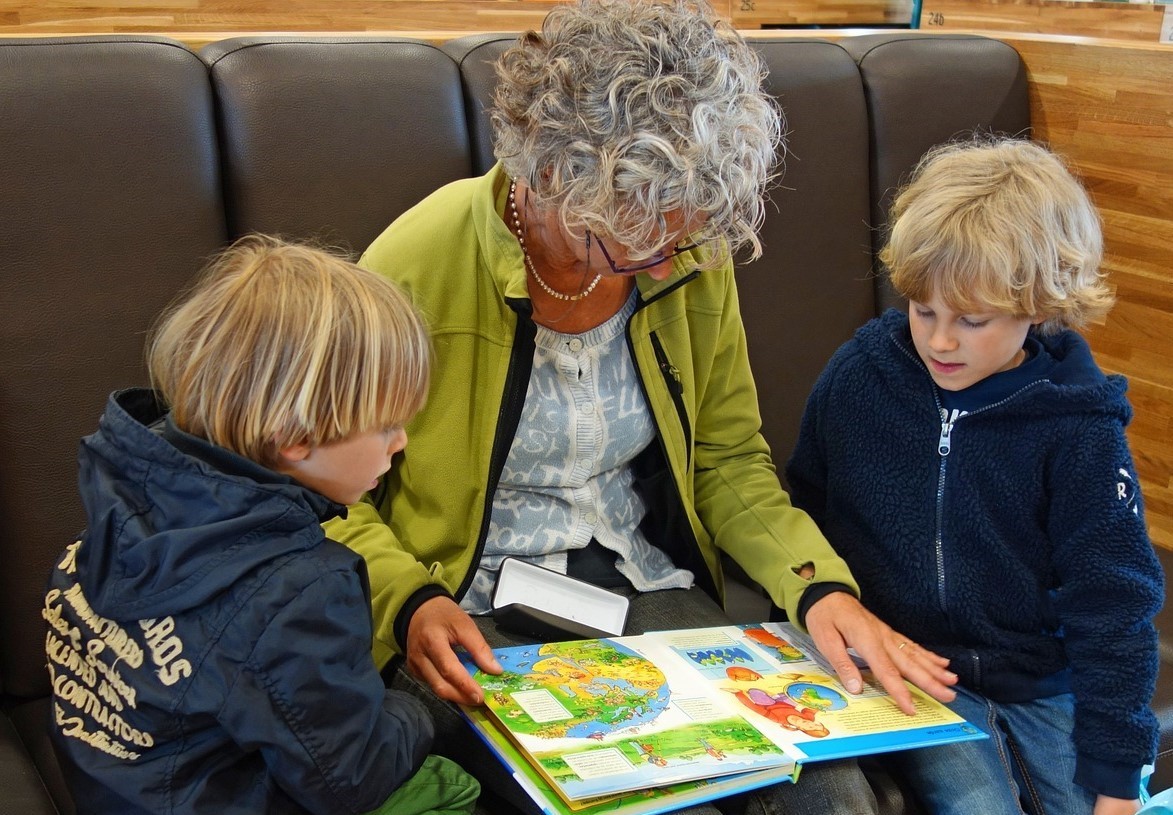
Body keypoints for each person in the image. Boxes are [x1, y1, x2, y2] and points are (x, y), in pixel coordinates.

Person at [325, 2, 956, 813]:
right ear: (550, 173)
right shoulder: (417, 263)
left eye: (678, 236)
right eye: (632, 238)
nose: (663, 262)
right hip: (470, 604)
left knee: (831, 796)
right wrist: (410, 600)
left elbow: (726, 458)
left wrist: (817, 587)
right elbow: (325, 495)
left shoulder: (685, 249)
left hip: (641, 581)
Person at [785, 137, 1164, 815]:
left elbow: (1113, 606)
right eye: (923, 310)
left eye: (972, 319)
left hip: (1042, 680)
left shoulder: (1079, 425)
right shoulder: (859, 377)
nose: (939, 340)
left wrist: (1116, 782)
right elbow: (805, 510)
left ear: (1038, 305)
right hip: (913, 669)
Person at [43, 235, 480, 815]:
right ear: (296, 437)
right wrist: (417, 710)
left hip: (116, 790)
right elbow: (350, 779)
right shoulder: (298, 592)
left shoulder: (127, 492)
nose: (400, 442)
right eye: (386, 426)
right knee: (449, 785)